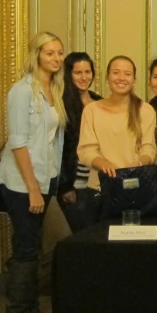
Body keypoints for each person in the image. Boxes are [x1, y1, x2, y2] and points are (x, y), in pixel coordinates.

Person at [0, 32, 67, 313]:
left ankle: (31, 311)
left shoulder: (53, 88)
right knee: (25, 248)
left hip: (45, 177)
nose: (55, 58)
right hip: (22, 183)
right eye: (49, 53)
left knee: (34, 246)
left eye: (59, 53)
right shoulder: (21, 91)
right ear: (36, 54)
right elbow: (18, 143)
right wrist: (33, 189)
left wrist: (46, 183)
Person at [78, 56, 157, 218]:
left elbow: (149, 147)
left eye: (127, 74)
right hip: (100, 190)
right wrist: (104, 164)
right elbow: (85, 150)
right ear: (107, 77)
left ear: (134, 79)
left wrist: (139, 163)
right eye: (116, 73)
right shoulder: (92, 110)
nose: (121, 78)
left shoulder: (146, 110)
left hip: (135, 189)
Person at [58, 52, 102, 234]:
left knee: (99, 232)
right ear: (69, 74)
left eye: (88, 72)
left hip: (97, 180)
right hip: (73, 182)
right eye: (78, 73)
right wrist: (65, 186)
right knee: (82, 234)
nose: (84, 77)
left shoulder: (100, 102)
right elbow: (59, 148)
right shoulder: (61, 103)